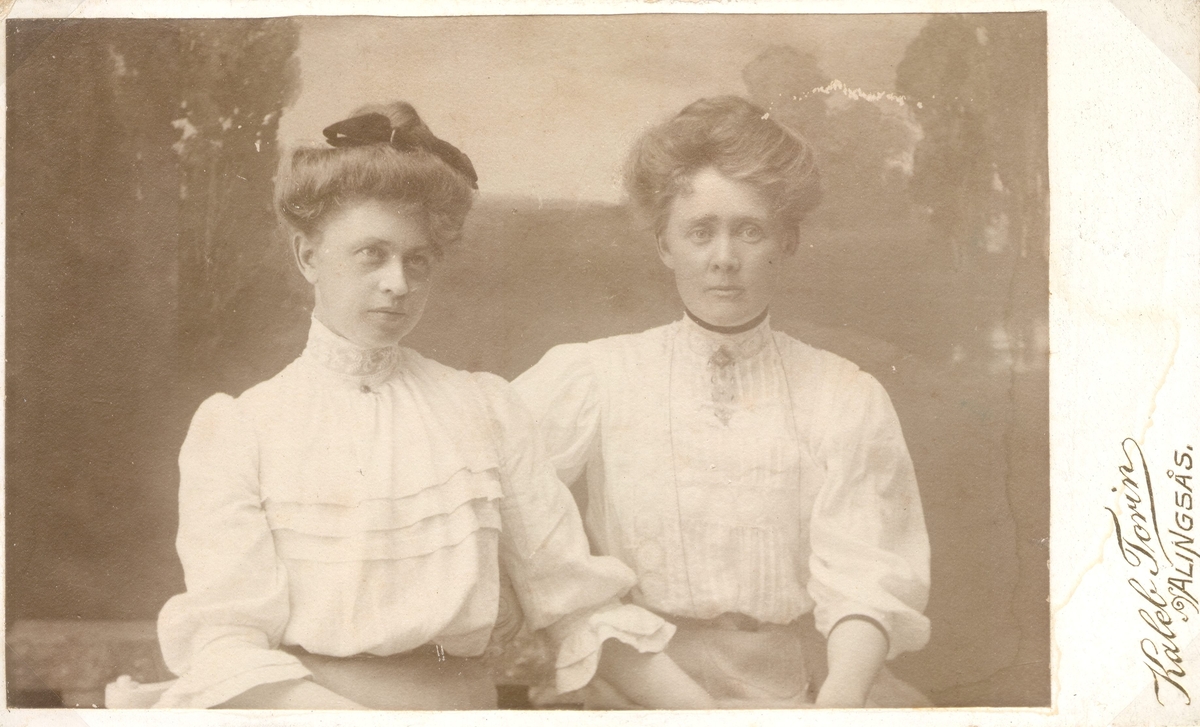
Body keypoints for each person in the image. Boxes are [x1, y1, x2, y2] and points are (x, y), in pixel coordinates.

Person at [150, 102, 715, 710]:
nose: (398, 282)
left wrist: (709, 716)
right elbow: (229, 647)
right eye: (372, 253)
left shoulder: (484, 410)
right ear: (308, 256)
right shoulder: (241, 430)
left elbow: (578, 606)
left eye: (416, 260)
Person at [513, 96, 932, 709]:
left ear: (786, 242)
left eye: (750, 230)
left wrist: (835, 708)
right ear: (665, 244)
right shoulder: (595, 377)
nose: (724, 259)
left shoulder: (844, 394)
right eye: (700, 231)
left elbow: (866, 576)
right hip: (641, 684)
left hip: (800, 690)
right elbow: (496, 496)